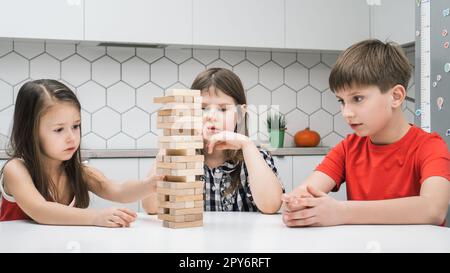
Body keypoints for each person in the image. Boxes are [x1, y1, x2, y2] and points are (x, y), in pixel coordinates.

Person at [282, 39, 450, 227]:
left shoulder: (430, 146)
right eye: (341, 101)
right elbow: (306, 191)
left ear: (396, 96)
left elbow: (433, 209)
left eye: (357, 98)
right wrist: (296, 204)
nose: (347, 113)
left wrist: (341, 212)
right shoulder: (348, 148)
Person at [0, 79, 163, 227]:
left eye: (76, 126)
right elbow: (41, 210)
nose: (71, 137)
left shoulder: (79, 172)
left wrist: (148, 185)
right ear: (30, 132)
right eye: (59, 129)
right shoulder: (15, 169)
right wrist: (95, 217)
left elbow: (118, 189)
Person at [142, 68, 284, 214]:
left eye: (223, 109)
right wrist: (172, 143)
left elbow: (271, 206)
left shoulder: (255, 155)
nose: (211, 116)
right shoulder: (179, 156)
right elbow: (151, 207)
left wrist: (247, 145)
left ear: (240, 114)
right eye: (202, 108)